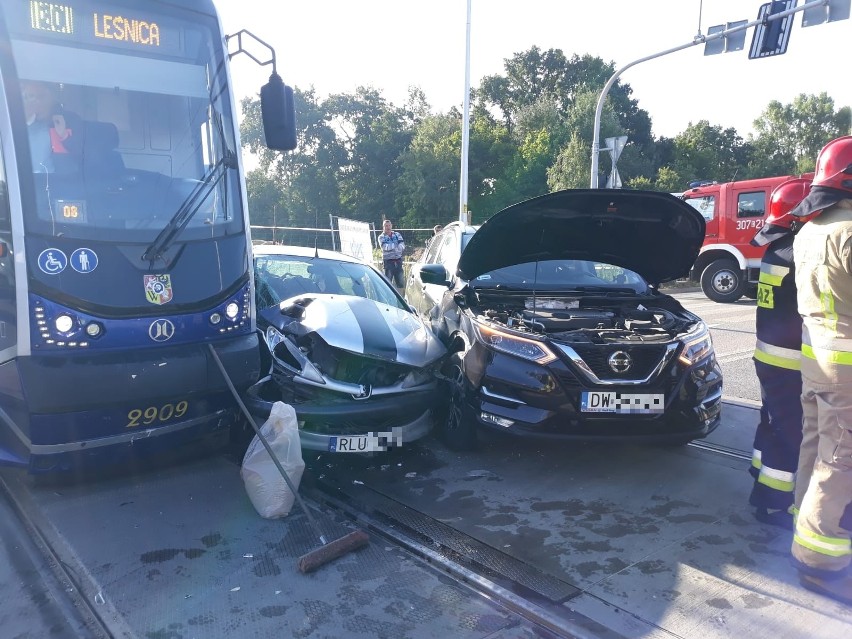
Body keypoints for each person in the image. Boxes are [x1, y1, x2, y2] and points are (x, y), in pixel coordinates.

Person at [788, 135, 852, 605]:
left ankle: (800, 519)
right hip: (847, 361)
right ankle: (818, 560)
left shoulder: (809, 230)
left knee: (814, 441)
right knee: (841, 459)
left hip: (815, 356)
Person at [747, 178, 815, 530]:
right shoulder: (800, 252)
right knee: (792, 433)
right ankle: (776, 504)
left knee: (771, 422)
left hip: (768, 357)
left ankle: (762, 485)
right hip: (790, 362)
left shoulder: (776, 250)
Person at [21, 80, 82, 173]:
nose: (36, 101)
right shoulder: (16, 124)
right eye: (30, 97)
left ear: (52, 97)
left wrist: (64, 136)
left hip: (64, 182)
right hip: (28, 184)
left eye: (40, 96)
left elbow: (85, 155)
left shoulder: (70, 120)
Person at [379, 219, 405, 289]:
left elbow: (402, 245)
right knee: (388, 284)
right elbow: (385, 247)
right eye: (386, 226)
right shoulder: (381, 237)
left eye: (389, 225)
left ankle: (400, 298)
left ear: (391, 226)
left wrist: (392, 246)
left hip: (398, 261)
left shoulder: (397, 234)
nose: (388, 227)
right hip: (388, 263)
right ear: (383, 227)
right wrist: (396, 245)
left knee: (401, 283)